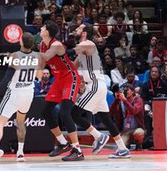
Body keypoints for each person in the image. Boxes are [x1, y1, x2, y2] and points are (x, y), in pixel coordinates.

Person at [69, 24, 131, 159]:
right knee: (106, 119)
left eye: (79, 28)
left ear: (84, 32)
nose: (76, 30)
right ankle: (123, 149)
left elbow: (69, 51)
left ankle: (99, 136)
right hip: (98, 86)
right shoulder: (82, 50)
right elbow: (72, 68)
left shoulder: (88, 44)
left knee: (74, 114)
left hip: (95, 86)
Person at [0, 32, 41, 164]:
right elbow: (39, 76)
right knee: (20, 122)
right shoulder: (36, 57)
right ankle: (20, 153)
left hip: (15, 92)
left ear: (21, 42)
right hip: (28, 93)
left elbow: (6, 79)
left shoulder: (15, 56)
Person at [39, 21, 83, 161]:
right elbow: (42, 63)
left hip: (70, 78)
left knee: (65, 112)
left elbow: (45, 57)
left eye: (43, 27)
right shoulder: (42, 44)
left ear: (47, 32)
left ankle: (78, 150)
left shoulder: (56, 45)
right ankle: (63, 143)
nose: (40, 29)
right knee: (45, 111)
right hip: (58, 80)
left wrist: (26, 52)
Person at [110, 84, 145, 150]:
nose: (125, 91)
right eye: (123, 90)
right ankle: (127, 143)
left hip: (136, 129)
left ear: (132, 92)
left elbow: (133, 111)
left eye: (127, 89)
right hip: (125, 130)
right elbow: (111, 112)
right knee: (122, 148)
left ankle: (139, 144)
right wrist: (116, 100)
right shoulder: (120, 101)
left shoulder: (138, 100)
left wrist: (124, 100)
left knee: (139, 133)